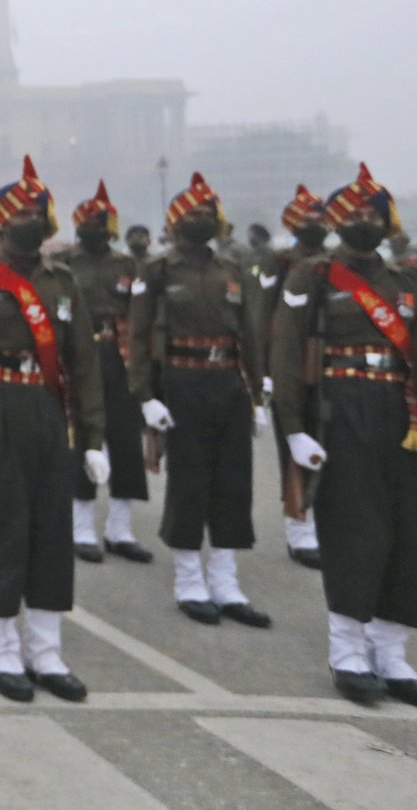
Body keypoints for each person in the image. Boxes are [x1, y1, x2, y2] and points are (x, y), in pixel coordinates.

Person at [270, 165, 417, 706]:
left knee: (405, 535)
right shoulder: (313, 277)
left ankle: (391, 655)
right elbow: (289, 355)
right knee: (354, 532)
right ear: (338, 223)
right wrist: (293, 429)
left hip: (399, 416)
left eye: (373, 215)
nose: (365, 223)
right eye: (355, 216)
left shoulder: (407, 285)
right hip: (340, 412)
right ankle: (347, 652)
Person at [0, 157, 106, 703]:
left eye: (35, 211)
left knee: (52, 533)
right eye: (18, 211)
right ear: (1, 219)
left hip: (48, 413)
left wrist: (93, 437)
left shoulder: (62, 280)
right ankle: (2, 651)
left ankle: (46, 651)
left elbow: (84, 365)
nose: (29, 219)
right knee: (6, 531)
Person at [129, 172, 272, 627]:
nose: (200, 219)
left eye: (207, 213)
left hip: (227, 382)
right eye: (191, 214)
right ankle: (190, 580)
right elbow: (137, 340)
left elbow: (248, 333)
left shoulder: (232, 270)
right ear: (174, 221)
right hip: (182, 384)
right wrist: (146, 397)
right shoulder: (157, 271)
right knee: (189, 483)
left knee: (233, 483)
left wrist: (258, 390)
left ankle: (226, 583)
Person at [65, 181, 153, 563]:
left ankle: (120, 529)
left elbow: (142, 316)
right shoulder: (66, 266)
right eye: (89, 223)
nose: (96, 229)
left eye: (102, 223)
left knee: (126, 438)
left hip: (120, 357)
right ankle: (81, 527)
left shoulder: (127, 266)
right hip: (82, 355)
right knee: (85, 436)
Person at [256, 185, 330, 569]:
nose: (314, 225)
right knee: (296, 448)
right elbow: (264, 315)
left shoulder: (335, 264)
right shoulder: (281, 263)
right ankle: (299, 531)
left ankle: (327, 527)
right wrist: (267, 371)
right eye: (307, 220)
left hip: (327, 365)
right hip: (290, 361)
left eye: (320, 219)